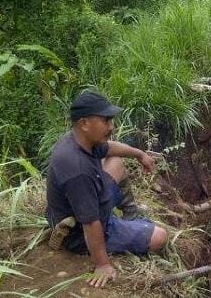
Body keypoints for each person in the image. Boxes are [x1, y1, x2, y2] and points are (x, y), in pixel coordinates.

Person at [45, 91, 168, 288]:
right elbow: (91, 223)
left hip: (92, 200)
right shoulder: (78, 172)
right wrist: (102, 264)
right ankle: (116, 228)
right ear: (84, 123)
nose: (111, 126)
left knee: (116, 163)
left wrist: (139, 155)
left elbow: (110, 148)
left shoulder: (79, 139)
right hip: (79, 231)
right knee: (159, 237)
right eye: (106, 121)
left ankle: (130, 214)